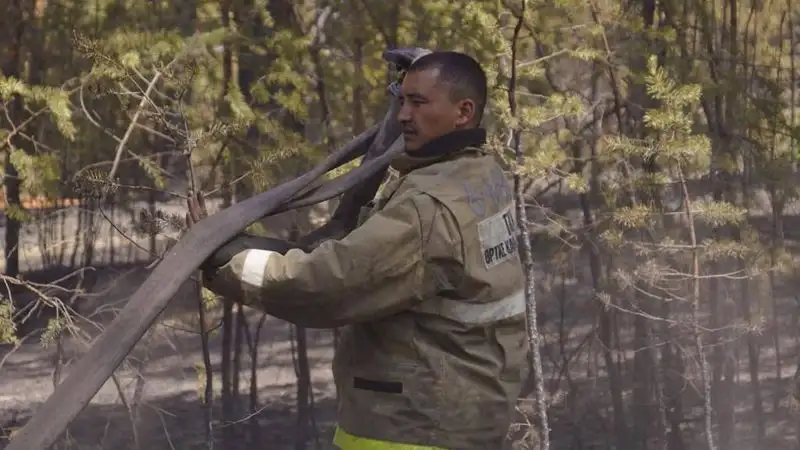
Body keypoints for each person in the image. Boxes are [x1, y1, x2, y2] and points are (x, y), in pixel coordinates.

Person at [187, 51, 529, 450]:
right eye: (402, 100)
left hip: (412, 429)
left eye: (418, 103)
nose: (403, 115)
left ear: (464, 112)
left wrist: (223, 261)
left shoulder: (428, 209)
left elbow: (326, 284)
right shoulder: (480, 173)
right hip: (462, 417)